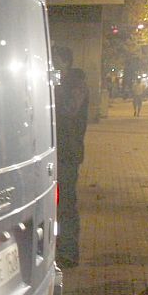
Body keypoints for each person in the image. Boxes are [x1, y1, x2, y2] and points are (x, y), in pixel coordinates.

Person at [53, 48, 90, 267]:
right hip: (57, 151)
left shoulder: (76, 85)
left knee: (66, 203)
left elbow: (69, 110)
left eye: (56, 62)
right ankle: (57, 248)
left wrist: (55, 89)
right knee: (56, 204)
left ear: (65, 62)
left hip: (68, 152)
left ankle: (69, 251)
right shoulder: (64, 84)